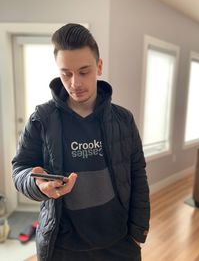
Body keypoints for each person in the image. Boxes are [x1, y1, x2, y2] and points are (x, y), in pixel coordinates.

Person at [12, 23, 150, 261]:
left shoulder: (123, 119)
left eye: (84, 71)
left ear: (99, 66)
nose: (75, 83)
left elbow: (137, 174)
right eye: (66, 73)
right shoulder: (41, 119)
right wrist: (36, 185)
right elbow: (20, 170)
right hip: (63, 247)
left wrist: (139, 230)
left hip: (119, 243)